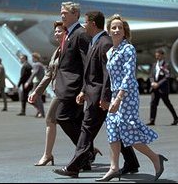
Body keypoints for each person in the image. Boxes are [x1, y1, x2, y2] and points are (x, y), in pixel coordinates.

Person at [53, 11, 139, 178]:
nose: (84, 25)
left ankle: (74, 166)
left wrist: (105, 97)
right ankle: (132, 162)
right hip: (94, 94)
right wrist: (84, 90)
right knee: (118, 130)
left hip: (100, 97)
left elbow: (108, 74)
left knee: (86, 130)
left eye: (86, 22)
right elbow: (91, 72)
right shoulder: (95, 41)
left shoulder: (104, 42)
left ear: (93, 24)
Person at [96, 14, 167, 182]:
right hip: (115, 94)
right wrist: (108, 97)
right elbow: (110, 77)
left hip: (127, 95)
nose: (116, 30)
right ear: (109, 31)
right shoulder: (110, 52)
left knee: (128, 133)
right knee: (112, 129)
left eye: (120, 27)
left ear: (125, 31)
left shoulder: (128, 49)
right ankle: (114, 167)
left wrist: (119, 98)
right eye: (113, 27)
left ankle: (155, 158)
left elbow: (128, 75)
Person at [28, 21, 64, 166]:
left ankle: (47, 155)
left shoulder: (70, 49)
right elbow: (49, 74)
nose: (56, 33)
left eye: (60, 31)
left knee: (52, 120)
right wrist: (37, 91)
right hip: (59, 91)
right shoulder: (57, 51)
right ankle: (89, 150)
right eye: (55, 31)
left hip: (67, 91)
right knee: (70, 123)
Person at [147, 49, 178, 126]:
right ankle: (152, 120)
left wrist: (158, 84)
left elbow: (167, 77)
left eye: (158, 55)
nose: (157, 57)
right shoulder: (154, 65)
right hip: (154, 88)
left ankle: (176, 118)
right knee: (153, 103)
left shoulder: (166, 65)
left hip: (162, 88)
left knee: (167, 103)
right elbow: (151, 75)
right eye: (156, 55)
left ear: (162, 55)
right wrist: (152, 82)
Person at [26, 52, 46, 118]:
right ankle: (39, 111)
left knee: (34, 98)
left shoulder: (36, 64)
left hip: (37, 82)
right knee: (35, 98)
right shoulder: (40, 64)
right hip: (38, 82)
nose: (32, 59)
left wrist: (28, 82)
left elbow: (34, 73)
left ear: (35, 58)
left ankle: (41, 112)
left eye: (32, 58)